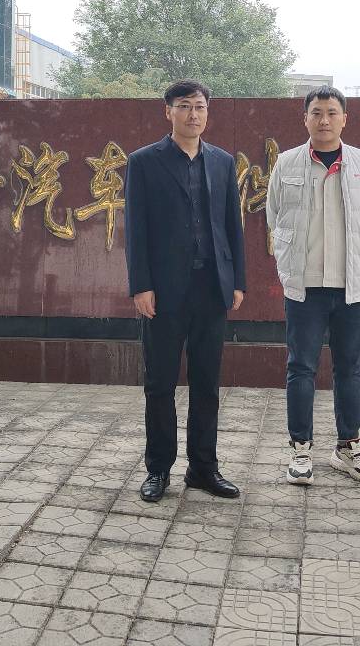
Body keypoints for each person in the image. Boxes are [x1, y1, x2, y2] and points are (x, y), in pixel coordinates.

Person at [124, 79, 246, 502]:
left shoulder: (222, 162)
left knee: (207, 383)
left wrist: (237, 281)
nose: (193, 114)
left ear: (207, 112)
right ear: (168, 112)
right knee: (160, 382)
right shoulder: (144, 162)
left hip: (211, 287)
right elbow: (136, 230)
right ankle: (159, 469)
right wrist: (141, 285)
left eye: (199, 107)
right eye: (184, 106)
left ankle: (203, 468)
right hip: (163, 291)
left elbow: (232, 226)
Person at [266, 86, 360, 485]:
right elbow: (274, 215)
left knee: (349, 367)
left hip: (352, 284)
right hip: (306, 285)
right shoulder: (287, 162)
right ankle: (301, 448)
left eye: (332, 112)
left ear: (344, 118)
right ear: (305, 118)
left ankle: (348, 447)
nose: (324, 120)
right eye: (316, 112)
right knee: (301, 367)